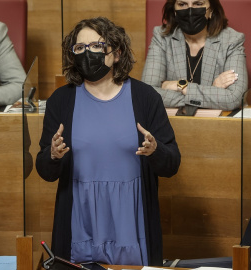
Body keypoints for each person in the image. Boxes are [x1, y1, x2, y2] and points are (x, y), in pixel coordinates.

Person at [36, 17, 181, 266]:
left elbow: (171, 164)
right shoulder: (61, 100)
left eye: (96, 46)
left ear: (116, 53)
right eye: (80, 48)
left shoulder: (146, 98)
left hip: (131, 218)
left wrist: (155, 151)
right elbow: (44, 170)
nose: (87, 53)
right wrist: (53, 155)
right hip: (80, 217)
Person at [142, 0, 248, 111]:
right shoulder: (162, 37)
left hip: (216, 125)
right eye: (182, 4)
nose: (190, 11)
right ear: (174, 10)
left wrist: (180, 86)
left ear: (211, 10)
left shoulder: (232, 40)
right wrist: (212, 91)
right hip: (172, 123)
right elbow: (146, 94)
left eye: (198, 4)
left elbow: (234, 98)